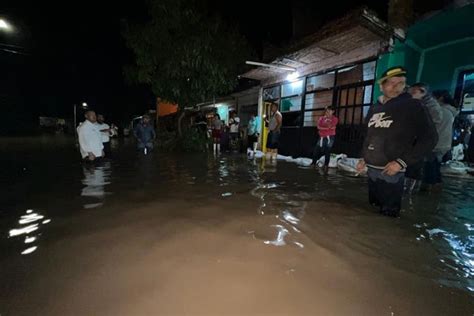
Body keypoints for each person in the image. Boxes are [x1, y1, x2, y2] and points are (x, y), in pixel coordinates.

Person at [356, 66, 438, 217]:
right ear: (381, 86)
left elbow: (429, 138)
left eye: (400, 83)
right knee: (373, 206)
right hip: (371, 169)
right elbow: (368, 135)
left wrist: (401, 162)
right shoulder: (375, 108)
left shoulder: (413, 106)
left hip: (392, 170)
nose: (396, 87)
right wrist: (363, 157)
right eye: (391, 83)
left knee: (389, 214)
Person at [433, 90, 459, 163]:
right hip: (444, 145)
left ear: (440, 98)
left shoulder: (440, 111)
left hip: (435, 145)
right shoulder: (451, 111)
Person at [312, 107, 338, 172]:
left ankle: (326, 166)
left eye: (330, 111)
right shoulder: (321, 118)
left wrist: (324, 127)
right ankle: (313, 164)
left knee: (327, 151)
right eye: (327, 111)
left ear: (333, 111)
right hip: (321, 137)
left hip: (330, 137)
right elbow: (318, 127)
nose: (328, 112)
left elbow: (331, 126)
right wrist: (327, 128)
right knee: (316, 150)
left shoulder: (335, 119)